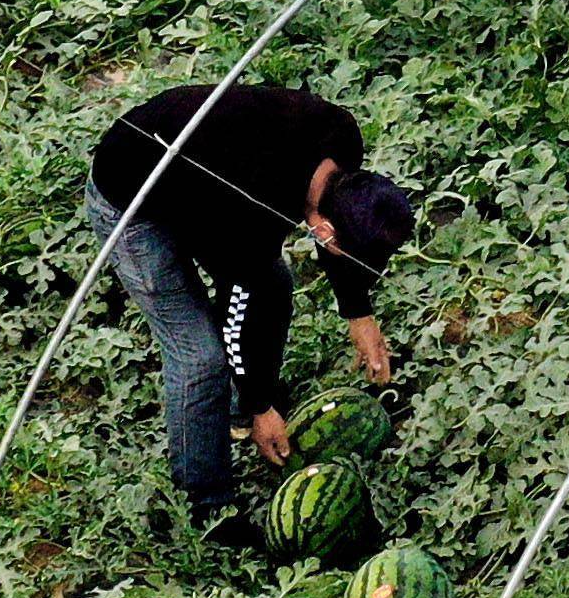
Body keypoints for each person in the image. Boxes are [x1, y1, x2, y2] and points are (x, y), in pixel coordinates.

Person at [83, 83, 412, 550]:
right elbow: (236, 309)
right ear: (322, 229)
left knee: (273, 285)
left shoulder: (342, 143)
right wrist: (262, 405)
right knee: (200, 357)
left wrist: (359, 312)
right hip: (132, 199)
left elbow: (317, 244)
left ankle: (242, 408)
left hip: (197, 185)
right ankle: (207, 505)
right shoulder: (254, 202)